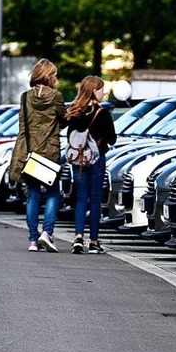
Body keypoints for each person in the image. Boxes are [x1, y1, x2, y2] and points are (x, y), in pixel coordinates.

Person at [9, 58, 67, 252]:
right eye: (55, 75)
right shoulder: (56, 96)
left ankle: (33, 240)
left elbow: (22, 128)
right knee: (52, 192)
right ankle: (47, 233)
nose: (56, 78)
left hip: (31, 153)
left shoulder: (25, 97)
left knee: (32, 195)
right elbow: (64, 119)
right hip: (50, 153)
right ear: (48, 76)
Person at [66, 76, 117, 254]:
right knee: (95, 199)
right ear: (94, 91)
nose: (104, 93)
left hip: (78, 159)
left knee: (80, 198)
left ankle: (78, 237)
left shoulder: (74, 111)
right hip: (96, 159)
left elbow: (70, 137)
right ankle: (93, 241)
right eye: (102, 89)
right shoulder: (102, 113)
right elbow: (112, 138)